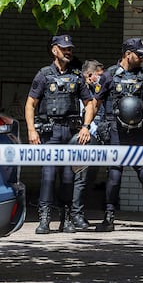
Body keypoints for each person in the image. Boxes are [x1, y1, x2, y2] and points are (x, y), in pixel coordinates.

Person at [83, 37, 143, 233]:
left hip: (139, 132)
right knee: (114, 175)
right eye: (139, 54)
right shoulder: (109, 75)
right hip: (115, 132)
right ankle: (108, 218)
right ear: (127, 54)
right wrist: (86, 126)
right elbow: (95, 104)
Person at [25, 34, 92, 234]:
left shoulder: (77, 75)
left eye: (70, 48)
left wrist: (86, 127)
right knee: (48, 175)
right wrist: (31, 130)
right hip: (50, 133)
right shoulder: (44, 74)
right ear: (55, 50)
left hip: (71, 133)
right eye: (64, 49)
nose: (68, 51)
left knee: (68, 178)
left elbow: (89, 104)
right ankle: (44, 220)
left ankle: (66, 219)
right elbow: (30, 104)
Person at [71, 59, 104, 229]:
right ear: (89, 75)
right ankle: (75, 215)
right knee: (79, 178)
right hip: (79, 139)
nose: (101, 78)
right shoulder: (78, 91)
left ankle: (77, 214)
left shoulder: (96, 92)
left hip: (93, 141)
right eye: (99, 75)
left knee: (86, 179)